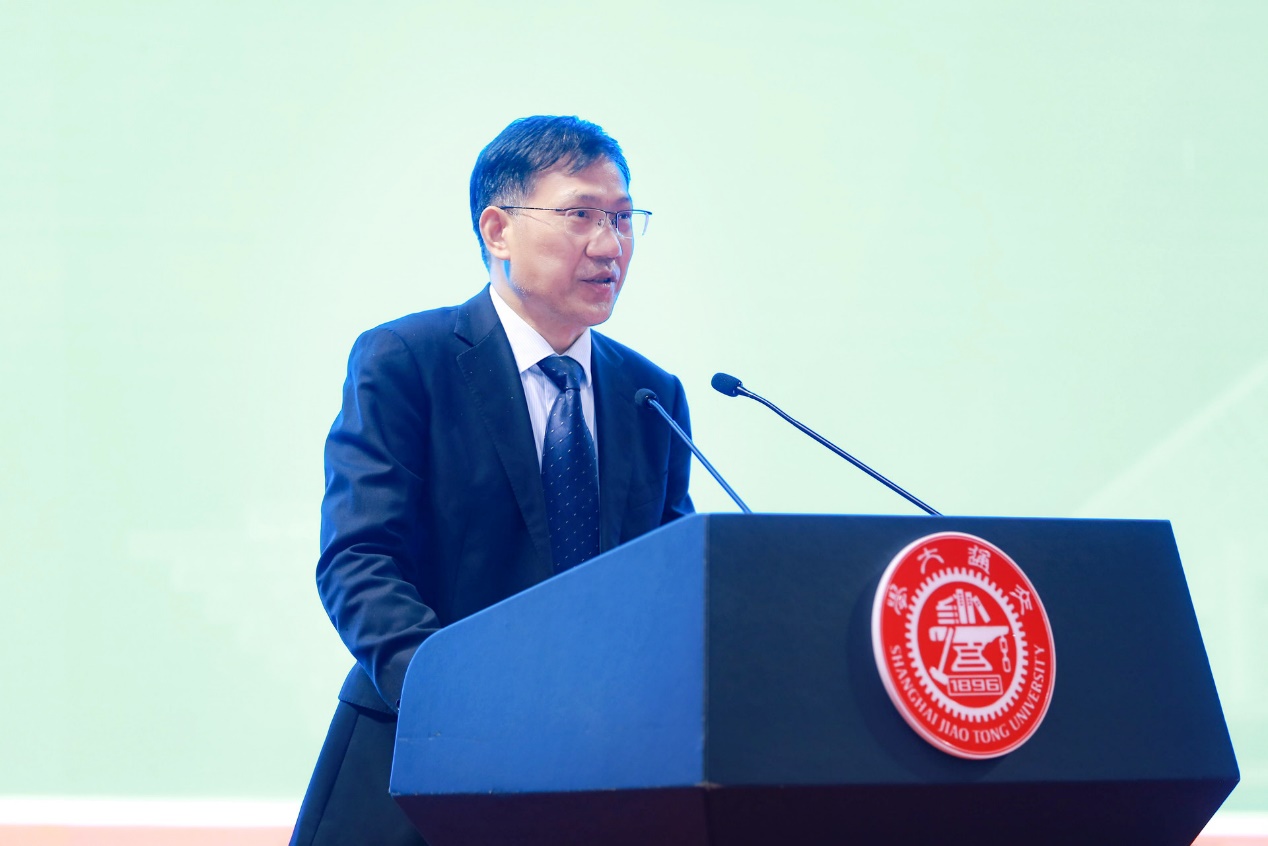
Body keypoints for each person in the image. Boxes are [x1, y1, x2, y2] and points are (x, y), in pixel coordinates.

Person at [289, 115, 695, 845]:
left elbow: (669, 587)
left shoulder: (650, 395)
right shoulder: (407, 360)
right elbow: (360, 560)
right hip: (418, 769)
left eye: (623, 218)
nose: (610, 245)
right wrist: (456, 705)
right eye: (581, 215)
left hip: (596, 782)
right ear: (498, 229)